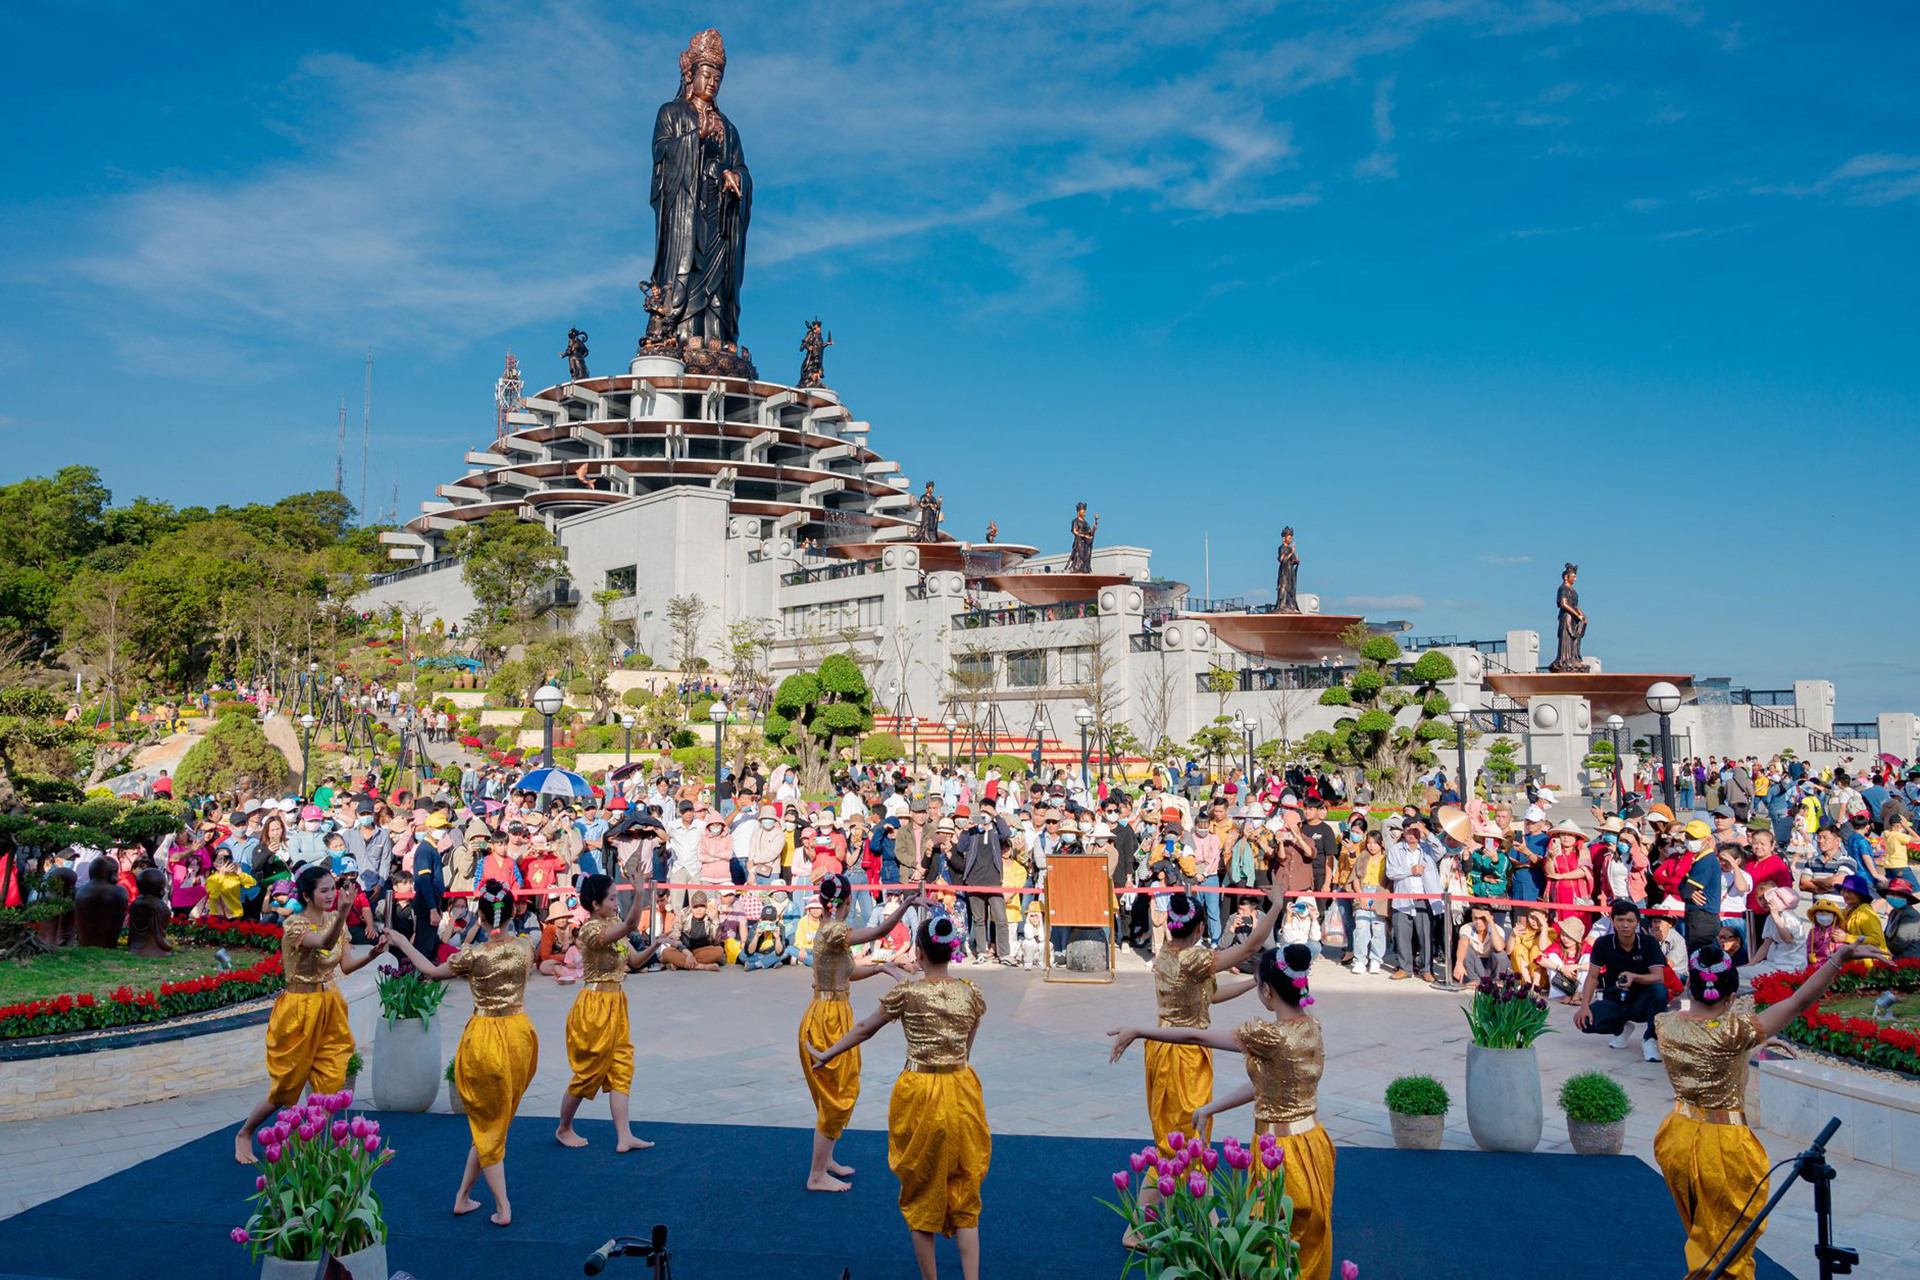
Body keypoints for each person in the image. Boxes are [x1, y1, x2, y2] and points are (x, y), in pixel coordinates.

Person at [1653, 938, 1887, 1280]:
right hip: (1722, 1147)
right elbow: (1798, 1001)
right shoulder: (1734, 1031)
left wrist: (1748, 1047)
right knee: (1729, 1247)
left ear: (1691, 985)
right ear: (1732, 997)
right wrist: (1837, 959)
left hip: (1676, 1136)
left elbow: (1700, 1039)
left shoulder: (1666, 1023)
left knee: (1703, 1231)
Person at [1108, 943, 1336, 1280]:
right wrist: (1212, 1106)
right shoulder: (1312, 1028)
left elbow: (1196, 1038)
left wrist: (1141, 1030)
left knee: (1271, 1244)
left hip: (1281, 1153)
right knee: (1309, 1242)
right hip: (1315, 1147)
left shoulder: (1267, 1036)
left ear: (1266, 991)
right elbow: (1271, 1086)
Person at [809, 916, 990, 1280]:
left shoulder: (907, 993)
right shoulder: (971, 992)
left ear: (919, 953)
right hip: (962, 1090)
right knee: (965, 1190)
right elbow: (968, 1043)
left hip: (920, 1092)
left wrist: (828, 1054)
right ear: (951, 952)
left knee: (921, 1188)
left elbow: (864, 1030)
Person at [1116, 881, 1285, 1243]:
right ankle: (1170, 1227)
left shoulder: (1165, 954)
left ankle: (1189, 1221)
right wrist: (1276, 905)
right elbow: (1252, 945)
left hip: (1166, 1048)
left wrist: (1254, 983)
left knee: (1179, 1135)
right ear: (1198, 929)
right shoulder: (1193, 959)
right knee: (1187, 1135)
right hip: (1183, 1054)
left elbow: (1206, 997)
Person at [383, 880, 538, 1227]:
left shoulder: (474, 955)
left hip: (485, 1039)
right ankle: (465, 1197)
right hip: (519, 1036)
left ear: (480, 917)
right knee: (492, 1124)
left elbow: (430, 972)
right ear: (513, 913)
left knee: (489, 1124)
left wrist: (403, 942)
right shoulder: (526, 948)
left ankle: (501, 1206)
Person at [232, 864, 382, 1164]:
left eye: (332, 889)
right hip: (298, 1010)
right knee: (287, 1084)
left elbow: (345, 965)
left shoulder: (333, 921)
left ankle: (311, 1144)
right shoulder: (296, 926)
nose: (331, 895)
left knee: (330, 1082)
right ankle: (245, 1133)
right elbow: (323, 943)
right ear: (306, 895)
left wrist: (371, 955)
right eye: (323, 890)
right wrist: (342, 914)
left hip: (329, 1005)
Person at [800, 874, 923, 1192]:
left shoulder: (830, 933)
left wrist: (880, 967)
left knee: (838, 1088)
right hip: (828, 1017)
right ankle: (816, 1175)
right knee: (836, 1095)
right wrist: (905, 904)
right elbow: (881, 931)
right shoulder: (834, 930)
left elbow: (847, 972)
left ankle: (825, 1160)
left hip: (832, 1011)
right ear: (848, 901)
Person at [553, 869, 673, 1152]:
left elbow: (634, 960)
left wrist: (655, 945)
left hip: (616, 1004)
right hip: (594, 1008)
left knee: (621, 1066)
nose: (615, 903)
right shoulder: (591, 930)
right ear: (595, 904)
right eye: (611, 899)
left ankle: (624, 1135)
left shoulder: (614, 923)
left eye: (616, 898)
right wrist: (640, 891)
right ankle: (563, 1127)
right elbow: (632, 923)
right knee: (588, 1072)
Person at [1572, 900, 1668, 1061]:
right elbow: (1592, 976)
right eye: (1620, 920)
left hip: (1642, 1001)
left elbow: (1659, 976)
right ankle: (1621, 1028)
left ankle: (1650, 1038)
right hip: (1615, 998)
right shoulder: (1603, 943)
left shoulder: (1648, 942)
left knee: (1659, 990)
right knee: (1585, 1021)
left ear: (1637, 922)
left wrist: (1634, 976)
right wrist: (1584, 1006)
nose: (1625, 925)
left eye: (1630, 920)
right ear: (1612, 921)